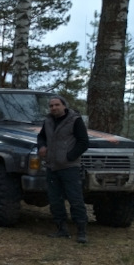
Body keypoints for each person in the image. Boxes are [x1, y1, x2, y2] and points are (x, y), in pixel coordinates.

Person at [37, 95, 90, 243]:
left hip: (69, 167)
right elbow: (41, 137)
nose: (54, 108)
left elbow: (83, 142)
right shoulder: (48, 121)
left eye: (57, 105)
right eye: (51, 105)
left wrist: (70, 156)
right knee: (55, 200)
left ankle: (81, 231)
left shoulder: (75, 120)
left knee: (75, 199)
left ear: (64, 106)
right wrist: (41, 146)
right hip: (52, 166)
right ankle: (61, 229)